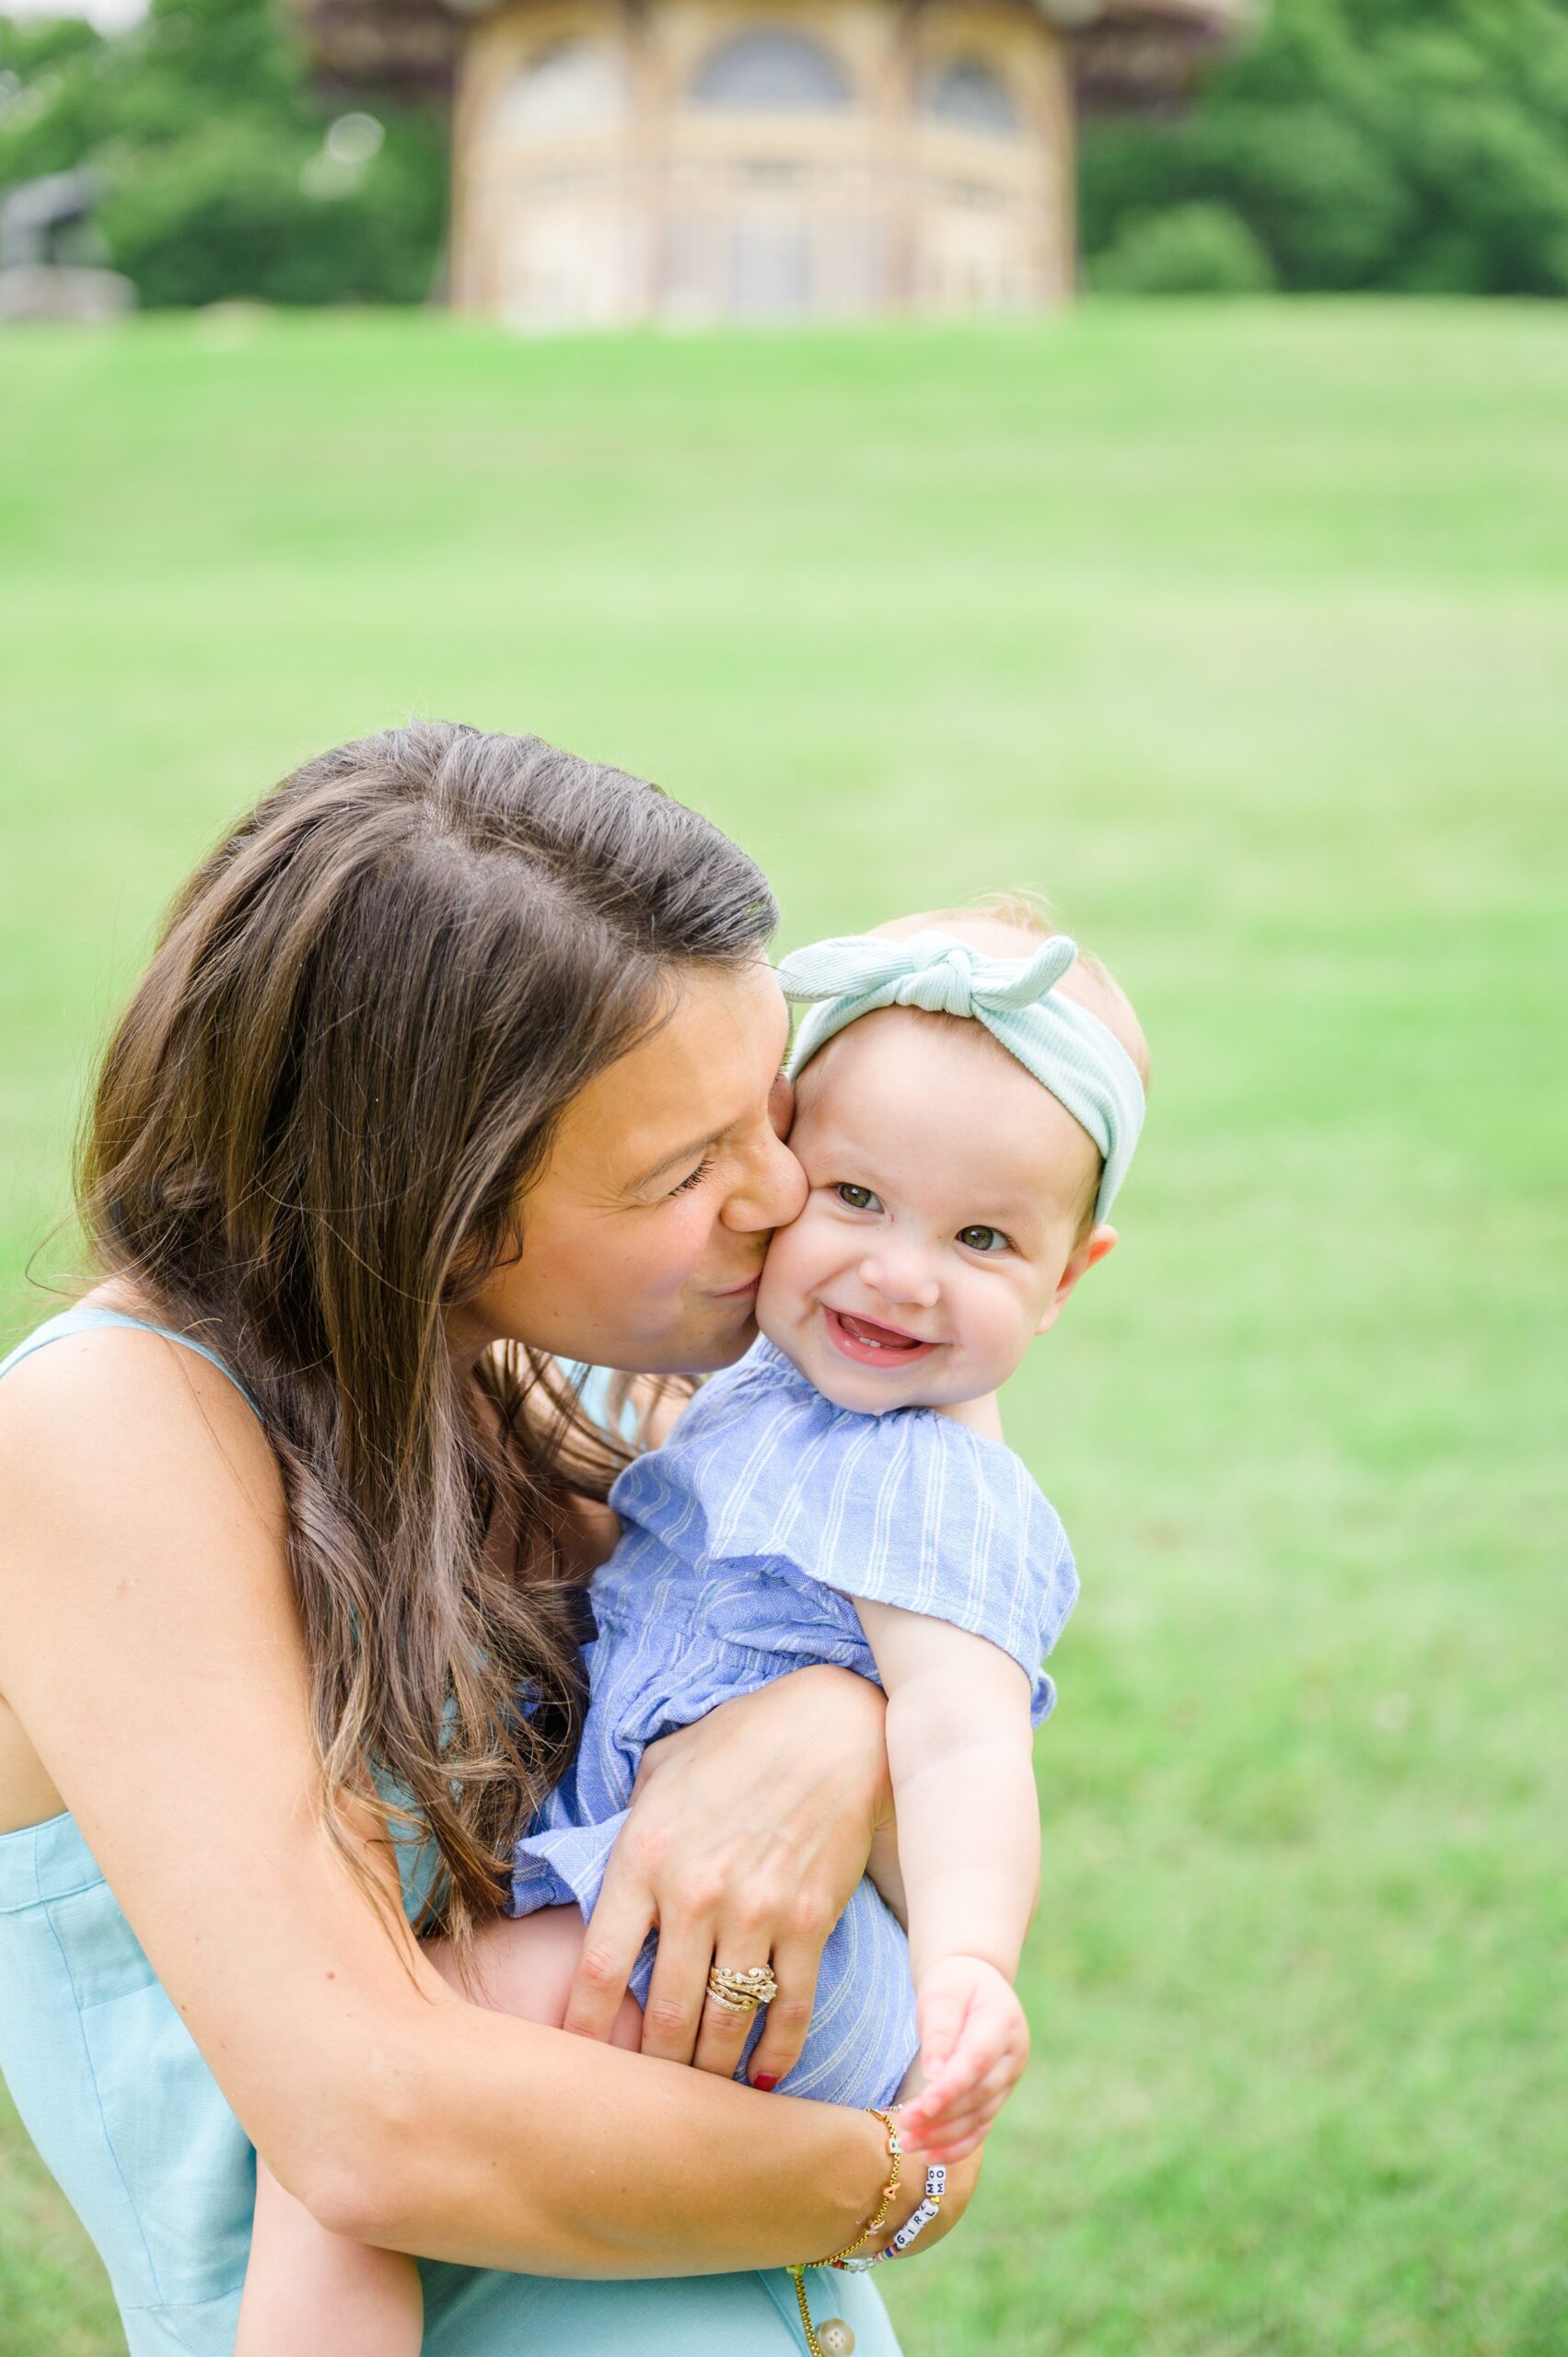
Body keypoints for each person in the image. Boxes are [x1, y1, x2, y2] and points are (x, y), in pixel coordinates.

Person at [0, 722, 981, 2357]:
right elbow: (374, 2118)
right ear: (428, 1203)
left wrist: (830, 1722)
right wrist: (888, 2176)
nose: (780, 1194)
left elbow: (932, 1568)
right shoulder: (105, 1434)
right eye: (688, 1166)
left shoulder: (537, 1371)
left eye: (773, 1108)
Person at [239, 899, 1148, 2354]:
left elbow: (970, 1744)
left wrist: (971, 1966)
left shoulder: (942, 1493)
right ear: (781, 1165)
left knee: (357, 2099)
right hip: (667, 1901)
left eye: (982, 1237)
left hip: (767, 1957)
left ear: (1068, 1280)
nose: (901, 1273)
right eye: (855, 1198)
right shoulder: (743, 1396)